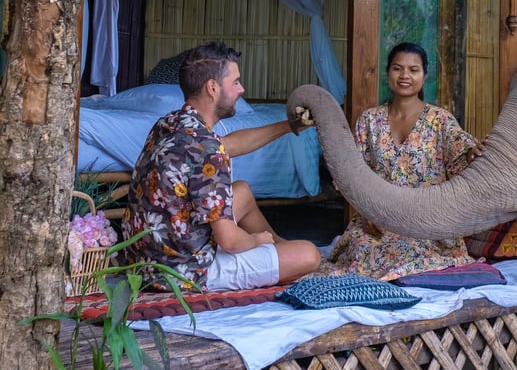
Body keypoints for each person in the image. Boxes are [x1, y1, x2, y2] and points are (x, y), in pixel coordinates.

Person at [122, 41, 321, 291]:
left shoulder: (171, 124)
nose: (242, 89)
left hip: (147, 260)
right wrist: (255, 241)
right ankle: (275, 253)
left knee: (242, 192)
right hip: (185, 273)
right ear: (213, 88)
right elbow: (229, 241)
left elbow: (226, 145)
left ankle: (277, 246)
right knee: (309, 254)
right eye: (235, 82)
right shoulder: (207, 150)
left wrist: (288, 126)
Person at [319, 42, 484, 281]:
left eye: (413, 70)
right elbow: (350, 174)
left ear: (424, 76)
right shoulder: (369, 120)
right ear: (388, 73)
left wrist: (474, 154)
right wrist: (366, 213)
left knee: (413, 257)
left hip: (427, 225)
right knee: (360, 253)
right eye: (398, 68)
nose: (405, 75)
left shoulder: (440, 120)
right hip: (378, 222)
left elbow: (463, 158)